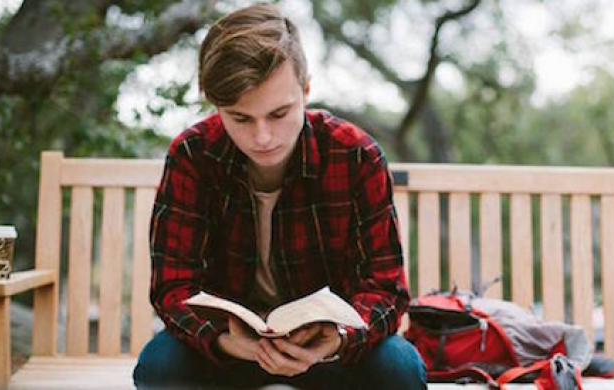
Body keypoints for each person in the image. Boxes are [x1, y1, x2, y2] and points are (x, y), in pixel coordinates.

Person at [132, 3, 426, 389]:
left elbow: (385, 289)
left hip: (326, 351)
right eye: (240, 118)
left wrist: (335, 340)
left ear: (306, 90)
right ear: (215, 104)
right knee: (159, 367)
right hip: (229, 352)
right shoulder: (193, 156)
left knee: (399, 368)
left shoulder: (355, 155)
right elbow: (173, 286)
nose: (262, 137)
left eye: (279, 113)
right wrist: (226, 341)